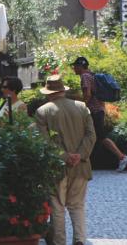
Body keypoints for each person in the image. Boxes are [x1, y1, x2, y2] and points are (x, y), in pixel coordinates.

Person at [35, 75, 96, 245]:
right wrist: (80, 155)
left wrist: (65, 156)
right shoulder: (82, 107)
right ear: (63, 90)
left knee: (57, 207)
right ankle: (80, 240)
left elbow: (43, 142)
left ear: (49, 93)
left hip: (57, 167)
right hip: (81, 166)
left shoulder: (42, 111)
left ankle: (59, 242)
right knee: (77, 206)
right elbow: (91, 135)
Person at [71, 56, 127, 172]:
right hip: (99, 110)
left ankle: (122, 157)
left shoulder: (85, 76)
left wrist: (81, 108)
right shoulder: (92, 75)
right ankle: (85, 160)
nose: (73, 68)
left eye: (75, 66)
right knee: (93, 136)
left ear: (80, 66)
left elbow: (87, 94)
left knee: (100, 137)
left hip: (94, 111)